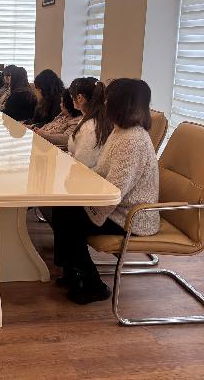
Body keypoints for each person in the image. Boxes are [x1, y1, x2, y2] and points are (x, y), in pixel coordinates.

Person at [53, 78, 159, 304]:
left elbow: (115, 190)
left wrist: (87, 206)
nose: (104, 103)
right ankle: (72, 271)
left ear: (120, 103)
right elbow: (102, 172)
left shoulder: (132, 139)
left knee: (69, 217)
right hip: (119, 208)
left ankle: (93, 285)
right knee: (63, 209)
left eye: (108, 99)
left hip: (131, 218)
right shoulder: (120, 132)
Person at [66, 77, 112, 168]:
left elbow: (83, 163)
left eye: (72, 96)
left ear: (79, 98)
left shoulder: (89, 127)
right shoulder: (101, 119)